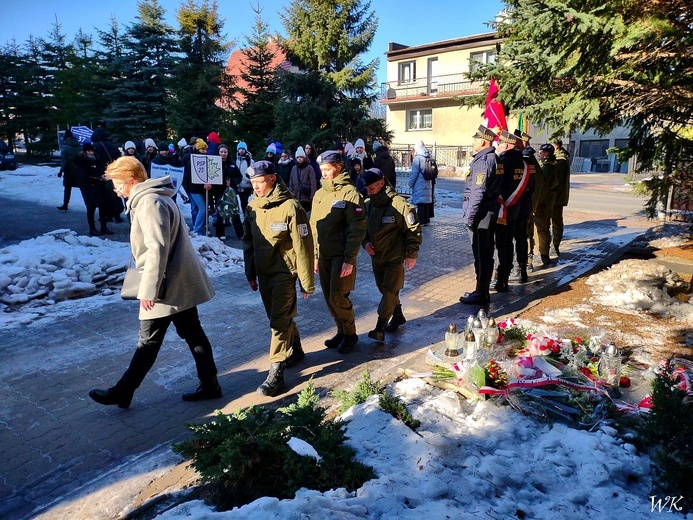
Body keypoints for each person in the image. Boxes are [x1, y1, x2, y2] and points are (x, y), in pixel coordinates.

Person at [88, 156, 221, 408]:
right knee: (193, 335)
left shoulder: (149, 202)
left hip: (165, 287)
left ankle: (122, 392)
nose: (116, 191)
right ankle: (211, 384)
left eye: (118, 185)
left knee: (148, 342)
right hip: (176, 283)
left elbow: (156, 249)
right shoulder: (153, 198)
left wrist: (148, 289)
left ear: (132, 180)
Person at [242, 160, 315, 397]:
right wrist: (250, 273)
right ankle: (297, 349)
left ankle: (276, 373)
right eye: (252, 183)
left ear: (273, 179)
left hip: (285, 275)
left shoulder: (291, 207)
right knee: (277, 318)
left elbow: (303, 246)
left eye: (259, 182)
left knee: (278, 322)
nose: (255, 187)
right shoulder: (252, 207)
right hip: (264, 274)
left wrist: (306, 281)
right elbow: (248, 242)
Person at [310, 150, 366, 354]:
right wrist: (315, 255)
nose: (324, 173)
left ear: (339, 167)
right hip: (324, 254)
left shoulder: (350, 194)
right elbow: (314, 225)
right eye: (322, 170)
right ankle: (341, 331)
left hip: (341, 256)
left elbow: (356, 229)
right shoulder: (320, 193)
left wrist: (349, 260)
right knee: (328, 297)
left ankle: (350, 334)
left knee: (338, 297)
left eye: (327, 169)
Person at [361, 168, 421, 342]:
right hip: (377, 256)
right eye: (367, 189)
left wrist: (412, 254)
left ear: (381, 183)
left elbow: (413, 229)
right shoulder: (368, 205)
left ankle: (380, 327)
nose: (369, 192)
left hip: (395, 256)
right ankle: (398, 315)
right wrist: (365, 243)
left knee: (389, 290)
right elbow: (361, 229)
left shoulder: (398, 204)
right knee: (384, 289)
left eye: (372, 188)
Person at [460, 125, 501, 306]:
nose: (473, 142)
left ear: (483, 141)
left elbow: (478, 192)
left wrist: (469, 217)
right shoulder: (493, 158)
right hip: (488, 210)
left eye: (475, 140)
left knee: (481, 254)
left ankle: (481, 293)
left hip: (481, 213)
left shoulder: (483, 161)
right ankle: (481, 289)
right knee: (485, 252)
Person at [493, 130, 527, 292]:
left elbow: (496, 185)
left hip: (502, 210)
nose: (498, 146)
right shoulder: (522, 162)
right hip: (516, 208)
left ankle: (501, 280)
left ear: (506, 145)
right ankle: (505, 277)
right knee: (509, 243)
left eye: (499, 144)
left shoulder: (504, 161)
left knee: (501, 245)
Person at [74, 143, 112, 236]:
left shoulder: (97, 160)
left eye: (92, 151)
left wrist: (104, 176)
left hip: (100, 186)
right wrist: (98, 178)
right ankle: (92, 228)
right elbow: (83, 175)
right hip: (89, 188)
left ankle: (104, 227)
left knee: (103, 207)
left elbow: (102, 170)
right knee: (91, 208)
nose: (91, 153)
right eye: (89, 151)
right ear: (85, 152)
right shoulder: (81, 161)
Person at [534, 144, 560, 267]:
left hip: (543, 204)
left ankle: (544, 255)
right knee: (544, 227)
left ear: (547, 154)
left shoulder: (547, 168)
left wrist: (536, 204)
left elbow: (543, 189)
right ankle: (544, 253)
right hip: (549, 202)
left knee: (542, 229)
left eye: (541, 152)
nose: (539, 153)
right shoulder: (552, 166)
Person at [182, 138, 211, 236]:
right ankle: (198, 230)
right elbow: (191, 176)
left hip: (199, 189)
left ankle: (198, 230)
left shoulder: (205, 159)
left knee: (199, 209)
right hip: (194, 189)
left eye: (205, 149)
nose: (205, 151)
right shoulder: (191, 160)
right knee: (202, 209)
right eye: (202, 149)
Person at [218, 143, 244, 238]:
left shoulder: (232, 164)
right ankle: (220, 233)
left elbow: (239, 177)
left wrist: (232, 182)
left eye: (225, 152)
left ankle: (240, 234)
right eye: (221, 152)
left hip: (231, 191)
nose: (223, 154)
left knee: (234, 211)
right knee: (220, 212)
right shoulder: (214, 163)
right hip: (219, 191)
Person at [552, 139, 571, 257]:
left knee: (555, 221)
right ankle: (554, 245)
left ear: (556, 147)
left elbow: (554, 181)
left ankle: (554, 245)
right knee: (556, 221)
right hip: (558, 196)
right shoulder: (562, 158)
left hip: (555, 196)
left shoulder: (559, 161)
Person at [56, 128, 81, 211]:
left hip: (69, 171)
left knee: (67, 189)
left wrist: (60, 171)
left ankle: (65, 204)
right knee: (83, 188)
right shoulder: (79, 146)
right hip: (79, 171)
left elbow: (64, 161)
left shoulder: (65, 148)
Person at [409, 141, 433, 226]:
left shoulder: (417, 158)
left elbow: (414, 173)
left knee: (420, 203)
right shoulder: (428, 155)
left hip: (419, 183)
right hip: (428, 182)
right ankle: (426, 220)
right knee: (425, 201)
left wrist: (411, 183)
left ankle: (421, 220)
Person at [288, 146, 317, 213]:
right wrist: (291, 194)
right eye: (298, 157)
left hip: (306, 197)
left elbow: (313, 183)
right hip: (296, 197)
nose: (299, 159)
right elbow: (291, 182)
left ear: (304, 157)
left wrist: (312, 196)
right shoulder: (294, 168)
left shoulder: (309, 168)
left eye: (301, 157)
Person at [236, 142, 254, 212]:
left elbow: (253, 173)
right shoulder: (236, 160)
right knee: (240, 203)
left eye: (243, 149)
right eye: (239, 149)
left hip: (247, 185)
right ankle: (244, 218)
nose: (241, 150)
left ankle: (247, 217)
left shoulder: (250, 161)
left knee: (245, 203)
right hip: (238, 185)